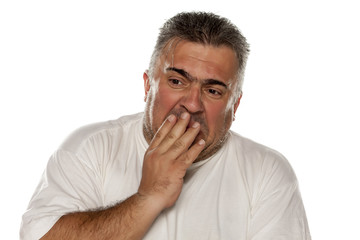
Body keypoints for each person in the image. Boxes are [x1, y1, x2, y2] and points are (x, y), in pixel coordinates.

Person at [20, 12, 311, 240]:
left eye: (213, 90)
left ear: (234, 107)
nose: (192, 104)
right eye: (176, 81)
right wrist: (149, 197)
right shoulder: (91, 147)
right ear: (148, 86)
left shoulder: (268, 172)